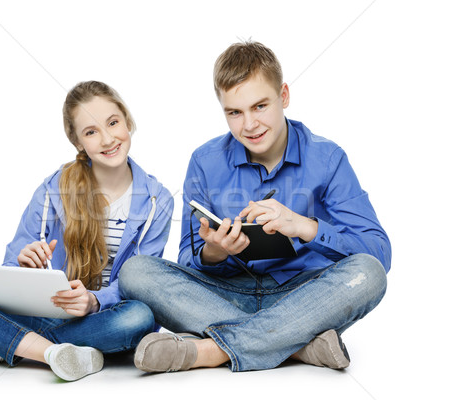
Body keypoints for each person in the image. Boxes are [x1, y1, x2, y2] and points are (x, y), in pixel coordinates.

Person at [119, 41, 391, 373]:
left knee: (370, 274)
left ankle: (211, 351)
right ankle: (297, 345)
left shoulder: (328, 159)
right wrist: (216, 252)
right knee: (135, 272)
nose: (249, 125)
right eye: (235, 112)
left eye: (260, 106)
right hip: (225, 295)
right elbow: (187, 260)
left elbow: (378, 253)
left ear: (284, 96)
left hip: (304, 296)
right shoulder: (204, 162)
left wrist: (304, 226)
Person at [0, 81, 174, 381]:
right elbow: (9, 269)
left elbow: (140, 282)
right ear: (78, 142)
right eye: (91, 132)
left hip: (102, 318)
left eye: (113, 123)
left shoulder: (158, 200)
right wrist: (23, 265)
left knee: (139, 318)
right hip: (47, 311)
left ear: (127, 122)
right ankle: (54, 353)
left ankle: (5, 343)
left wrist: (93, 301)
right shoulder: (55, 189)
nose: (107, 139)